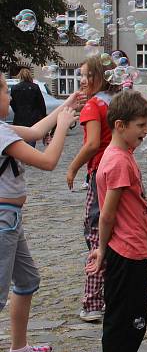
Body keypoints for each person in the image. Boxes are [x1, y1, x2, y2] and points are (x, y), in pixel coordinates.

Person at [0, 73, 82, 352]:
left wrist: (67, 104)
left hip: (10, 219)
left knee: (27, 280)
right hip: (3, 221)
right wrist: (62, 126)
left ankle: (19, 348)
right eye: (4, 91)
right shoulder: (0, 133)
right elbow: (47, 161)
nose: (10, 96)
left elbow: (35, 131)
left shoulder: (2, 128)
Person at [86, 91, 147, 352]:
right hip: (127, 252)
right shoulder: (119, 162)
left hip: (131, 249)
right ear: (120, 125)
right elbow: (107, 214)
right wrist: (102, 249)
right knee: (124, 323)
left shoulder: (120, 154)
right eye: (141, 125)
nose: (146, 131)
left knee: (127, 320)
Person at [65, 55, 121, 322]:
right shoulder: (117, 103)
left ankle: (93, 302)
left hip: (99, 174)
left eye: (87, 75)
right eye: (81, 75)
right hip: (118, 172)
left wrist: (73, 167)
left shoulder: (93, 106)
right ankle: (116, 294)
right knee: (116, 234)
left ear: (99, 77)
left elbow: (91, 144)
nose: (82, 80)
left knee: (96, 235)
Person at [10, 68, 46, 148]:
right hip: (32, 118)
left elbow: (12, 103)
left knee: (21, 140)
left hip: (19, 118)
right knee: (31, 140)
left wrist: (18, 111)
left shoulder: (14, 88)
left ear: (20, 76)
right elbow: (41, 104)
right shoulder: (35, 87)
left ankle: (24, 157)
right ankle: (29, 157)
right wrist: (42, 116)